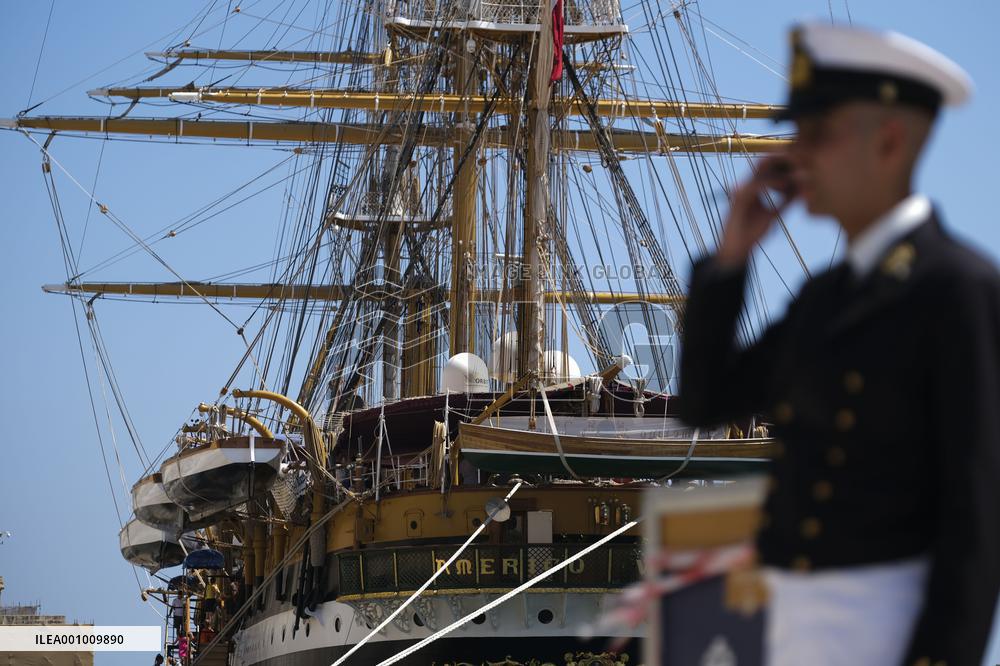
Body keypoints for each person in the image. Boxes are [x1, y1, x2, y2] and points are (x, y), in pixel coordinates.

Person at [678, 22, 1000, 666]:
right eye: (795, 136)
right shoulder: (822, 298)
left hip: (886, 625)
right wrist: (732, 258)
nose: (797, 156)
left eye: (817, 135)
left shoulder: (956, 287)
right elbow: (706, 403)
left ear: (887, 142)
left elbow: (978, 512)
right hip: (785, 626)